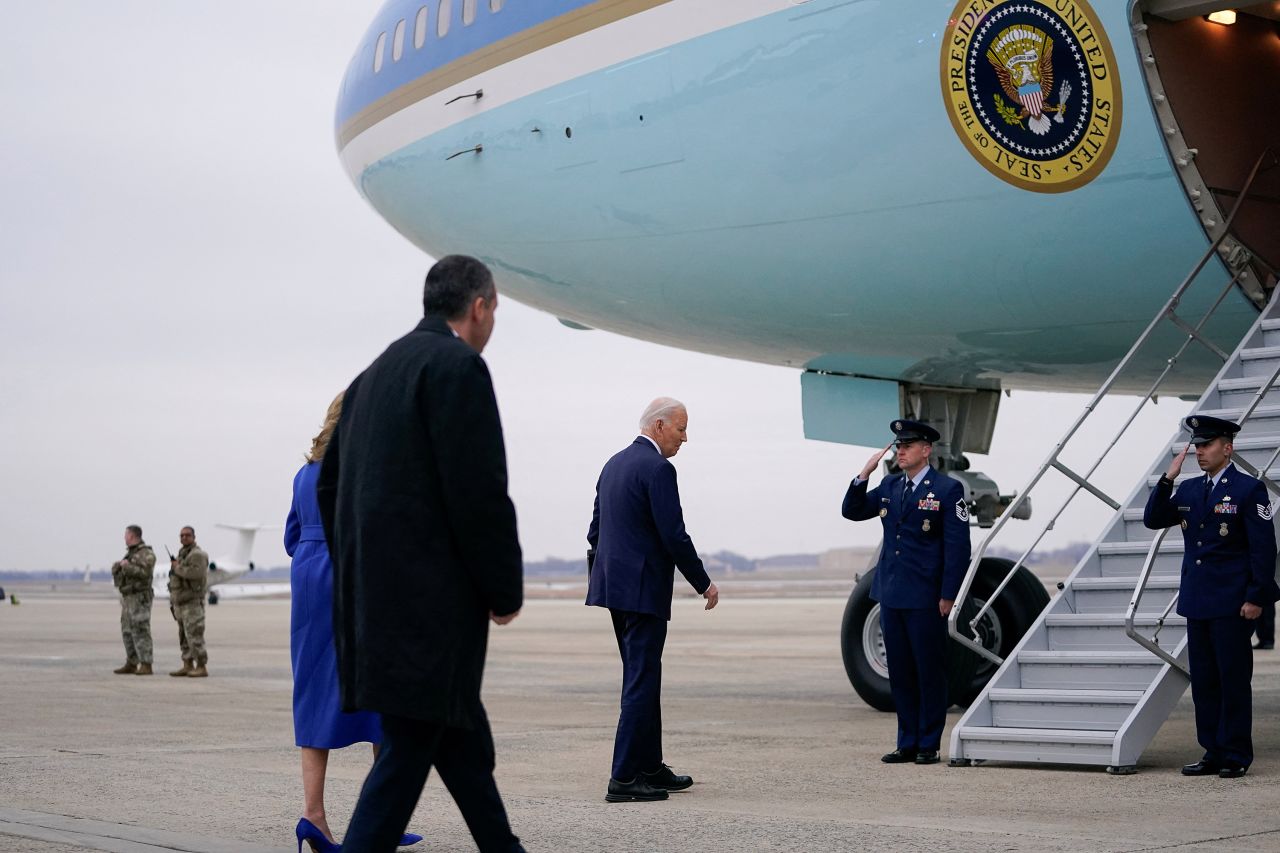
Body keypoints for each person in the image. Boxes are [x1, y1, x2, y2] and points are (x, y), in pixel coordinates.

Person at [318, 255, 525, 853]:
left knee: (459, 745)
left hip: (377, 612)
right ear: (480, 306)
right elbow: (478, 493)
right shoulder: (457, 368)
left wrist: (365, 570)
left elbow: (330, 487)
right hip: (431, 619)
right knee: (410, 752)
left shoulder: (372, 376)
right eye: (495, 311)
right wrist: (501, 590)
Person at [287, 393, 421, 853]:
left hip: (309, 584)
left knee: (313, 692)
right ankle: (382, 817)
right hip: (353, 577)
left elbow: (291, 537)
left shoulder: (304, 475)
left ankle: (314, 816)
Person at [586, 397, 720, 803]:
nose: (685, 437)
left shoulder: (613, 463)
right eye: (681, 428)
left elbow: (595, 530)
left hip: (613, 589)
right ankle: (624, 778)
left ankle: (649, 765)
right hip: (642, 591)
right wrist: (703, 583)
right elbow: (674, 535)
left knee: (642, 678)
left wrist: (609, 572)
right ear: (659, 427)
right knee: (641, 682)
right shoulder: (659, 469)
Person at [1143, 415, 1279, 778]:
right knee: (1204, 680)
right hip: (1199, 599)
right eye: (1198, 446)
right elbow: (1153, 518)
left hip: (1234, 602)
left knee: (1232, 678)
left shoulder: (1249, 489)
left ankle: (1235, 754)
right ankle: (1213, 750)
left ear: (1227, 447)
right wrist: (1167, 479)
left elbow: (1263, 550)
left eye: (1207, 445)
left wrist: (1256, 597)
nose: (1200, 451)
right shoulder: (1187, 489)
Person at [841, 420, 970, 765]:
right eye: (898, 445)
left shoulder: (946, 490)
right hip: (891, 594)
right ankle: (906, 742)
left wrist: (948, 593)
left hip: (926, 596)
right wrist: (863, 474)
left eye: (908, 445)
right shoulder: (889, 485)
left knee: (928, 670)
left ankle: (929, 743)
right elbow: (852, 511)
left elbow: (958, 548)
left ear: (926, 450)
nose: (900, 451)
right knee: (900, 672)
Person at [111, 525, 157, 675]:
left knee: (140, 629)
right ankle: (131, 662)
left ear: (132, 536)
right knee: (127, 630)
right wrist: (118, 567)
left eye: (126, 535)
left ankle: (146, 663)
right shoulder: (130, 554)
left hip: (140, 598)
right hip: (128, 598)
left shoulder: (146, 553)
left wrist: (127, 567)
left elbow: (145, 573)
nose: (124, 538)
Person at [168, 526, 210, 677]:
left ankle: (201, 665)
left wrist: (177, 568)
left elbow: (196, 573)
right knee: (184, 636)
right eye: (181, 536)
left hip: (192, 602)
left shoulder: (197, 554)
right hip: (181, 603)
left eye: (187, 535)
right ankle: (187, 664)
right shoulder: (183, 554)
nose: (184, 538)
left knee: (194, 635)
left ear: (193, 537)